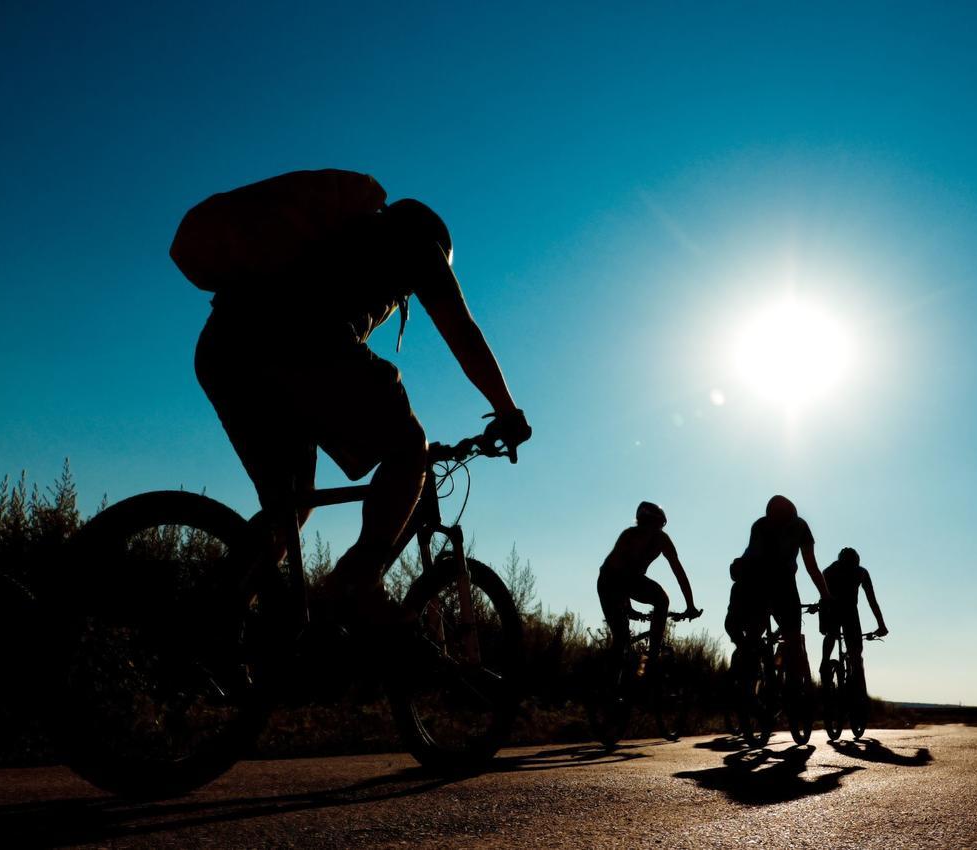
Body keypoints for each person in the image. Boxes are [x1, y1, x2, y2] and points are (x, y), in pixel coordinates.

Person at [181, 169, 531, 623]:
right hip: (298, 339)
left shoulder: (346, 238)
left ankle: (210, 627)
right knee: (407, 448)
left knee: (291, 507)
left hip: (226, 346)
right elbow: (462, 332)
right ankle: (351, 583)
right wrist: (507, 411)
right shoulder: (413, 243)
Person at [726, 495, 831, 666]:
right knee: (792, 640)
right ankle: (790, 683)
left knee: (751, 632)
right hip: (779, 584)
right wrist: (825, 597)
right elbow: (811, 567)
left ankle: (748, 655)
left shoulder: (762, 525)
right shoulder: (798, 526)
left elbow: (752, 558)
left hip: (757, 582)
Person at [597, 501, 701, 665]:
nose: (652, 530)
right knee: (621, 637)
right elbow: (616, 575)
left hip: (632, 580)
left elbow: (679, 573)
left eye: (658, 526)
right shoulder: (628, 536)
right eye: (648, 525)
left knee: (662, 599)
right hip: (609, 581)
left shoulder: (662, 539)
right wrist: (627, 606)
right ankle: (612, 678)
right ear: (640, 522)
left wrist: (690, 605)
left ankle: (653, 656)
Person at [818, 547, 888, 674]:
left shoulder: (858, 572)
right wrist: (881, 625)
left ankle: (828, 663)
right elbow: (872, 601)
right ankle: (826, 663)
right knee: (835, 636)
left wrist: (881, 624)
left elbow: (872, 601)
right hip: (836, 608)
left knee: (835, 637)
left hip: (841, 609)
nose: (849, 571)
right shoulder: (855, 572)